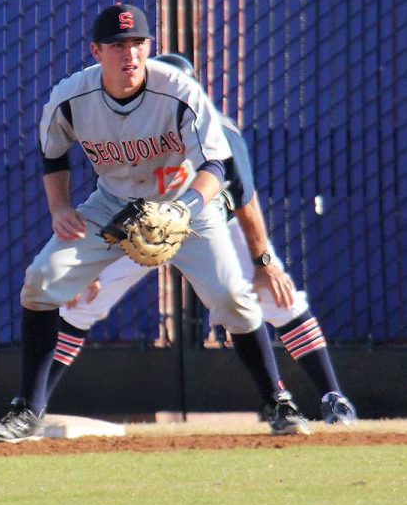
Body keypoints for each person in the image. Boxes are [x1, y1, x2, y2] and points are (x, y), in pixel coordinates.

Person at [0, 3, 308, 442]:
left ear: (149, 48)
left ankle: (277, 400)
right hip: (113, 202)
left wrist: (185, 208)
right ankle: (28, 410)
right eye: (117, 45)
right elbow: (52, 154)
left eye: (138, 44)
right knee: (40, 280)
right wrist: (60, 209)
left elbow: (216, 166)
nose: (129, 54)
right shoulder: (72, 97)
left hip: (185, 205)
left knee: (232, 298)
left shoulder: (179, 90)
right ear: (96, 51)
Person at [46, 53, 357, 426]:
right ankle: (30, 407)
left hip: (212, 224)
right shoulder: (126, 126)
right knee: (79, 303)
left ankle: (333, 398)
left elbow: (243, 196)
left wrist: (264, 263)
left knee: (277, 296)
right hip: (142, 225)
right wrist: (91, 265)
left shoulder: (214, 127)